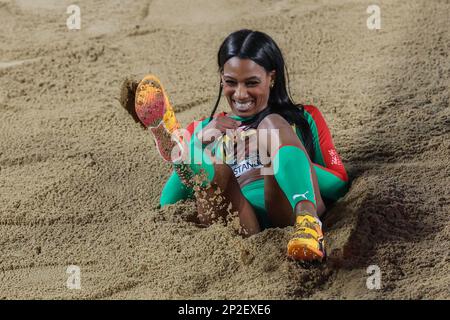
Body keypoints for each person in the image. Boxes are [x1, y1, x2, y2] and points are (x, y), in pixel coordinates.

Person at [129, 29, 349, 262]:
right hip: (237, 218)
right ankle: (175, 146)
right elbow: (169, 204)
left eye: (251, 82)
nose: (240, 94)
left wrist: (272, 157)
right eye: (231, 83)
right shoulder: (203, 128)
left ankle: (308, 224)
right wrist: (200, 141)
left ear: (271, 78)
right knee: (218, 169)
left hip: (287, 206)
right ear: (221, 78)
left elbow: (339, 184)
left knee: (271, 123)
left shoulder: (304, 117)